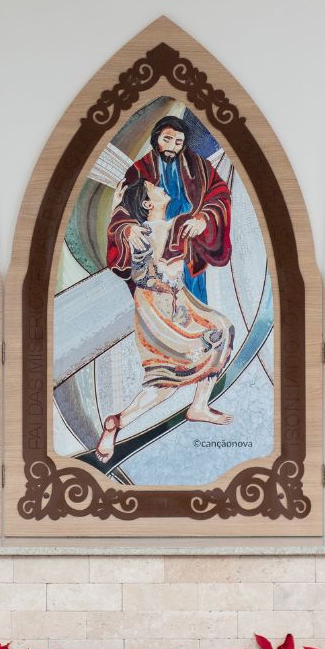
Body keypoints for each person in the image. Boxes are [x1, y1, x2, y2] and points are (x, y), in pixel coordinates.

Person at [96, 176, 233, 463]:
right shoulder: (140, 231)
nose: (161, 187)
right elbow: (123, 256)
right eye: (154, 189)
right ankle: (122, 422)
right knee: (171, 375)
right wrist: (119, 212)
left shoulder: (170, 225)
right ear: (148, 203)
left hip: (176, 303)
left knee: (176, 373)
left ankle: (118, 422)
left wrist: (203, 221)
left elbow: (194, 225)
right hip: (159, 310)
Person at [105, 116, 231, 303]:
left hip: (190, 243)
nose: (172, 147)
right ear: (156, 138)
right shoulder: (139, 170)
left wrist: (204, 218)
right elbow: (124, 206)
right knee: (161, 298)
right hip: (156, 243)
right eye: (167, 139)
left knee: (193, 301)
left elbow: (221, 195)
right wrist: (127, 229)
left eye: (178, 142)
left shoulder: (200, 166)